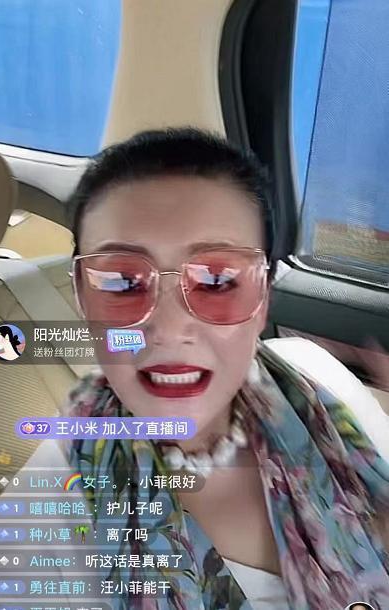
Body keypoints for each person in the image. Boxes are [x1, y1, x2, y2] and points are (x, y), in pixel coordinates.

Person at [61, 128, 389, 610]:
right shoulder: (52, 513)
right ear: (80, 295)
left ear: (264, 298)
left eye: (217, 280)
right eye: (121, 283)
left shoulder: (318, 387)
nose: (169, 329)